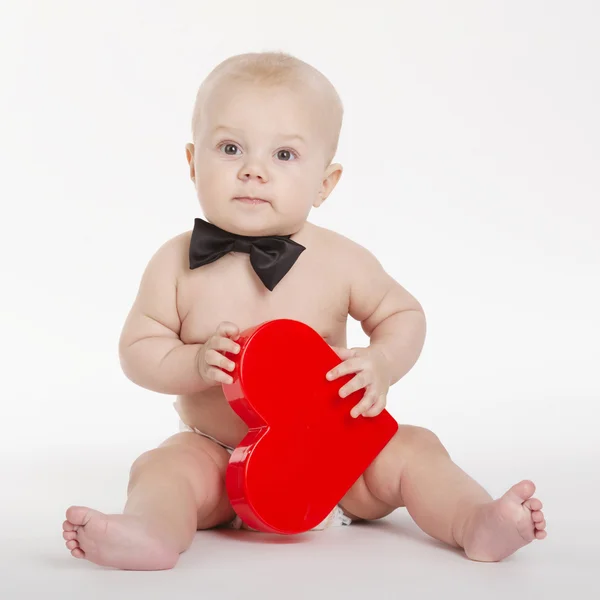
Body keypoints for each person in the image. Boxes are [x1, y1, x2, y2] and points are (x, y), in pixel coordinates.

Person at [62, 51, 547, 570]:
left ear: (325, 183)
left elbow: (403, 315)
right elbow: (138, 350)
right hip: (221, 460)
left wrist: (381, 362)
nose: (253, 171)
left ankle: (474, 521)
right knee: (162, 468)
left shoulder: (340, 259)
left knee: (415, 449)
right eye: (230, 148)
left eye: (285, 156)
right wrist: (194, 363)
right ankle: (153, 533)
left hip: (335, 459)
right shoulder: (176, 263)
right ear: (192, 162)